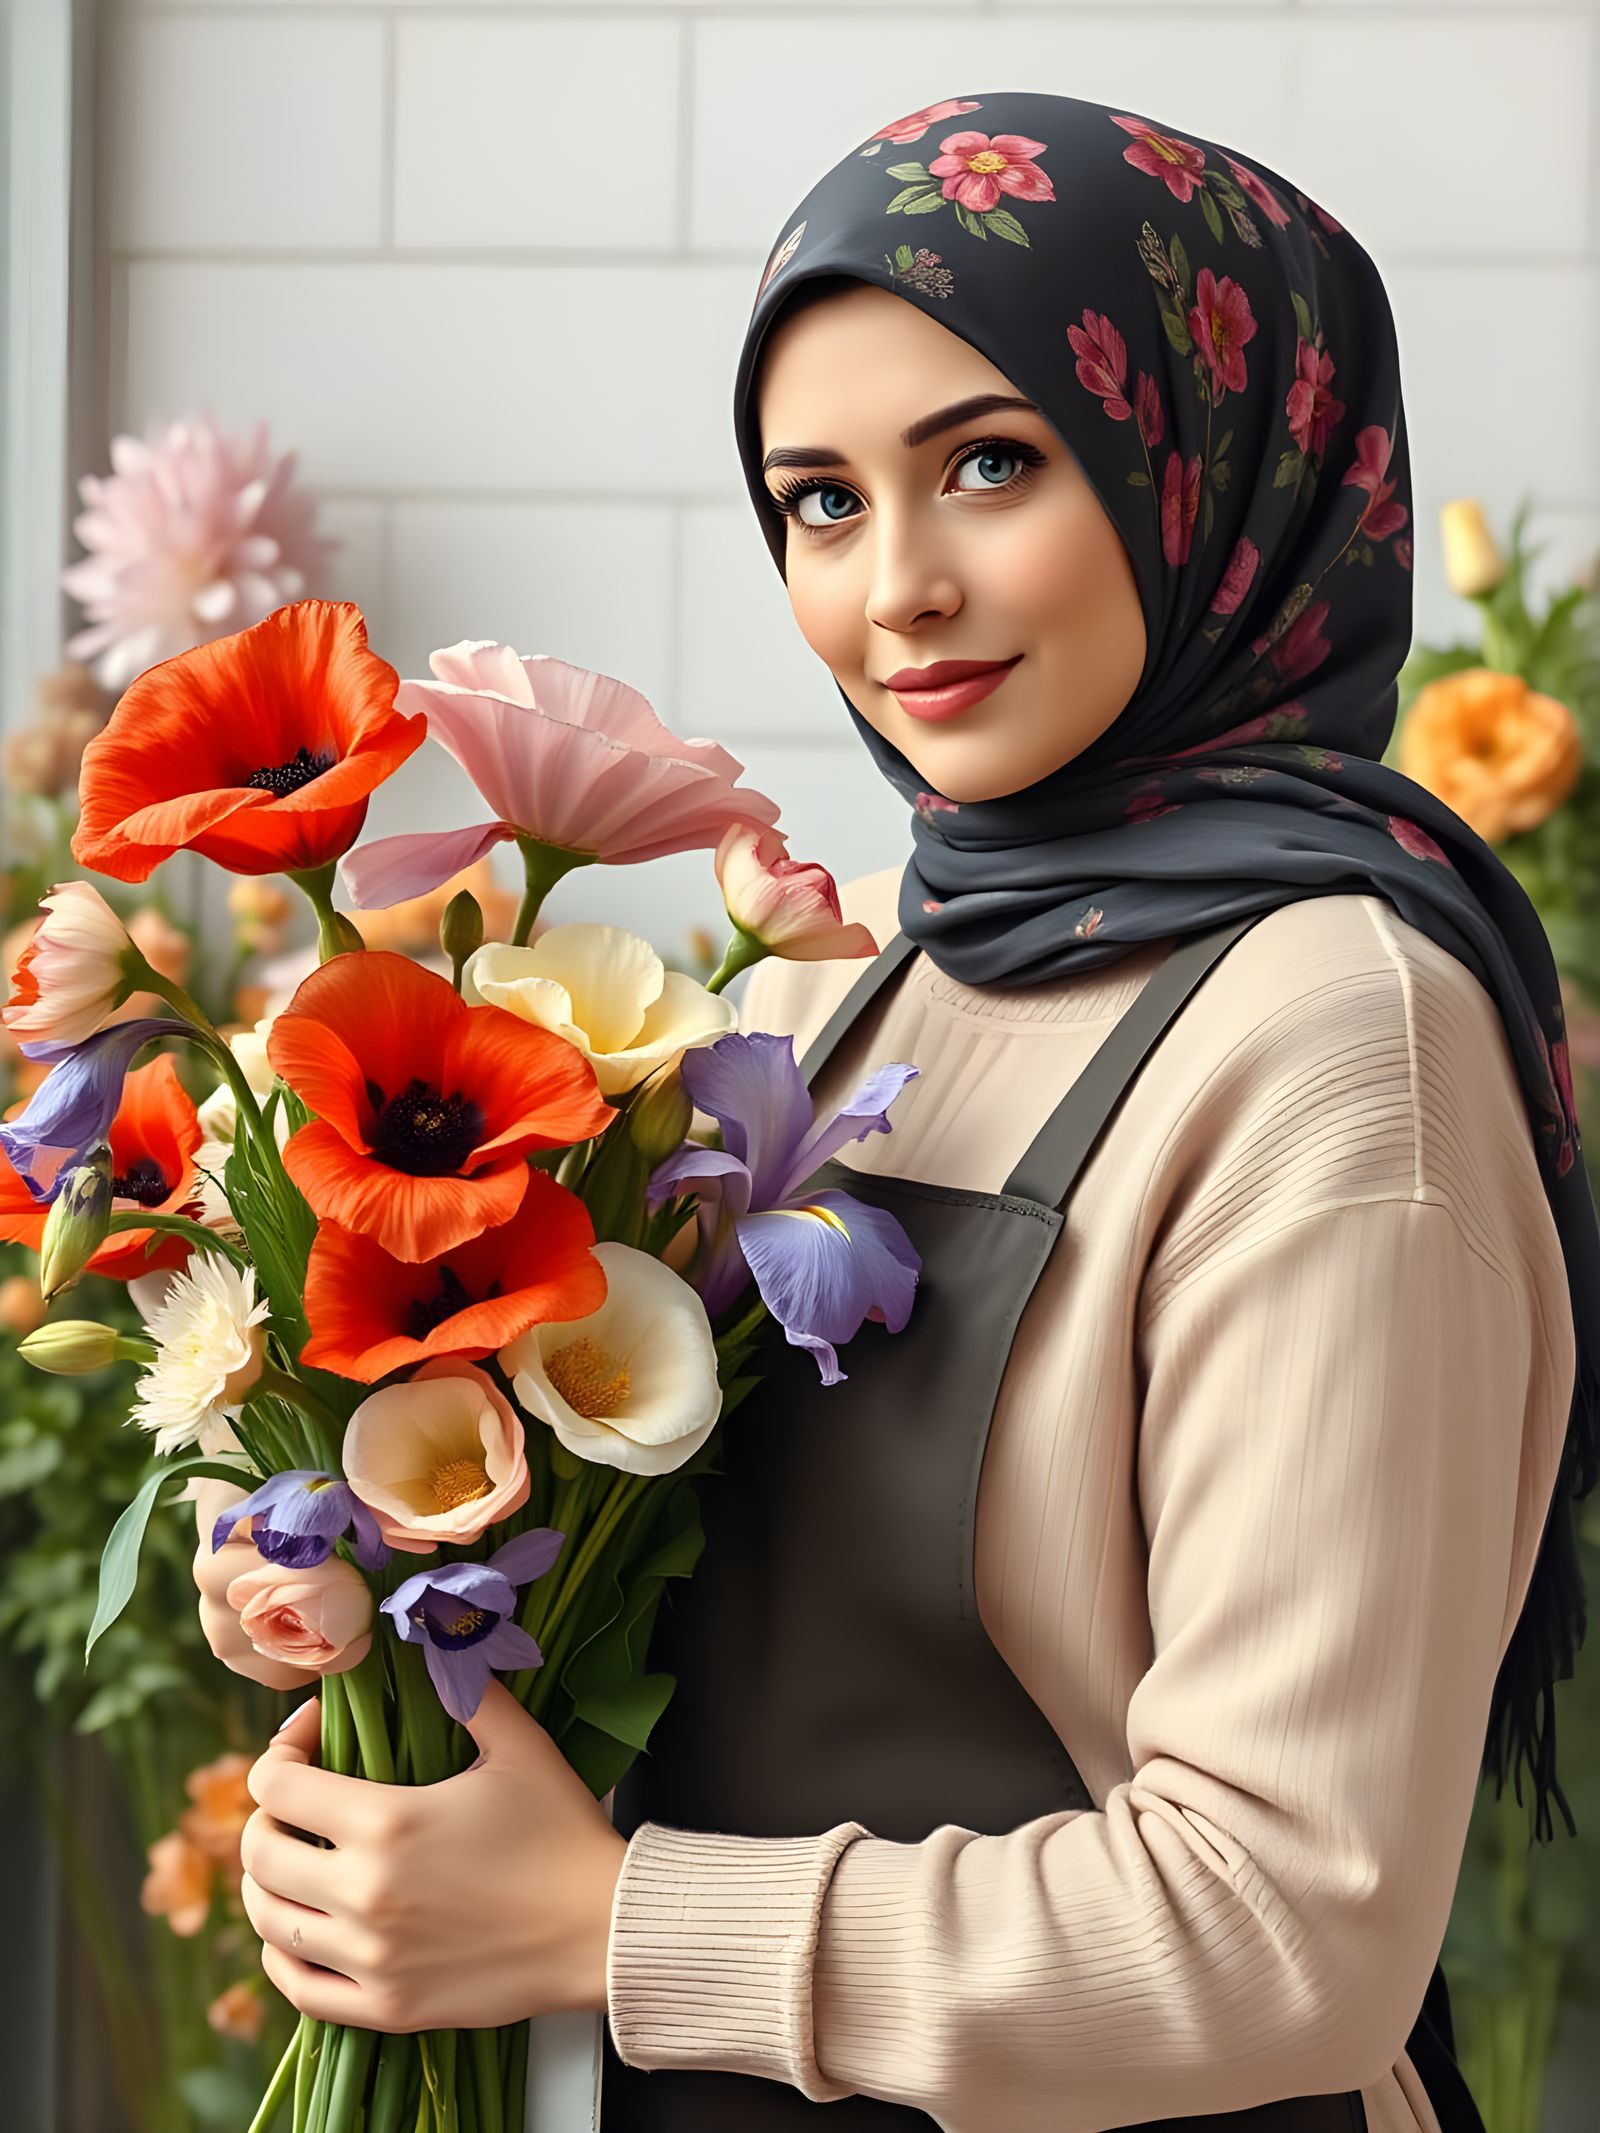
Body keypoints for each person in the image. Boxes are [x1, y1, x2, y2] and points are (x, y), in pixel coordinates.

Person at [199, 91, 1597, 2133]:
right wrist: (373, 1583)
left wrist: (604, 1925)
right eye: (822, 500)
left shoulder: (1333, 1039)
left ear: (1209, 459)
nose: (898, 587)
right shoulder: (866, 977)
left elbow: (1287, 1924)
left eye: (990, 465)